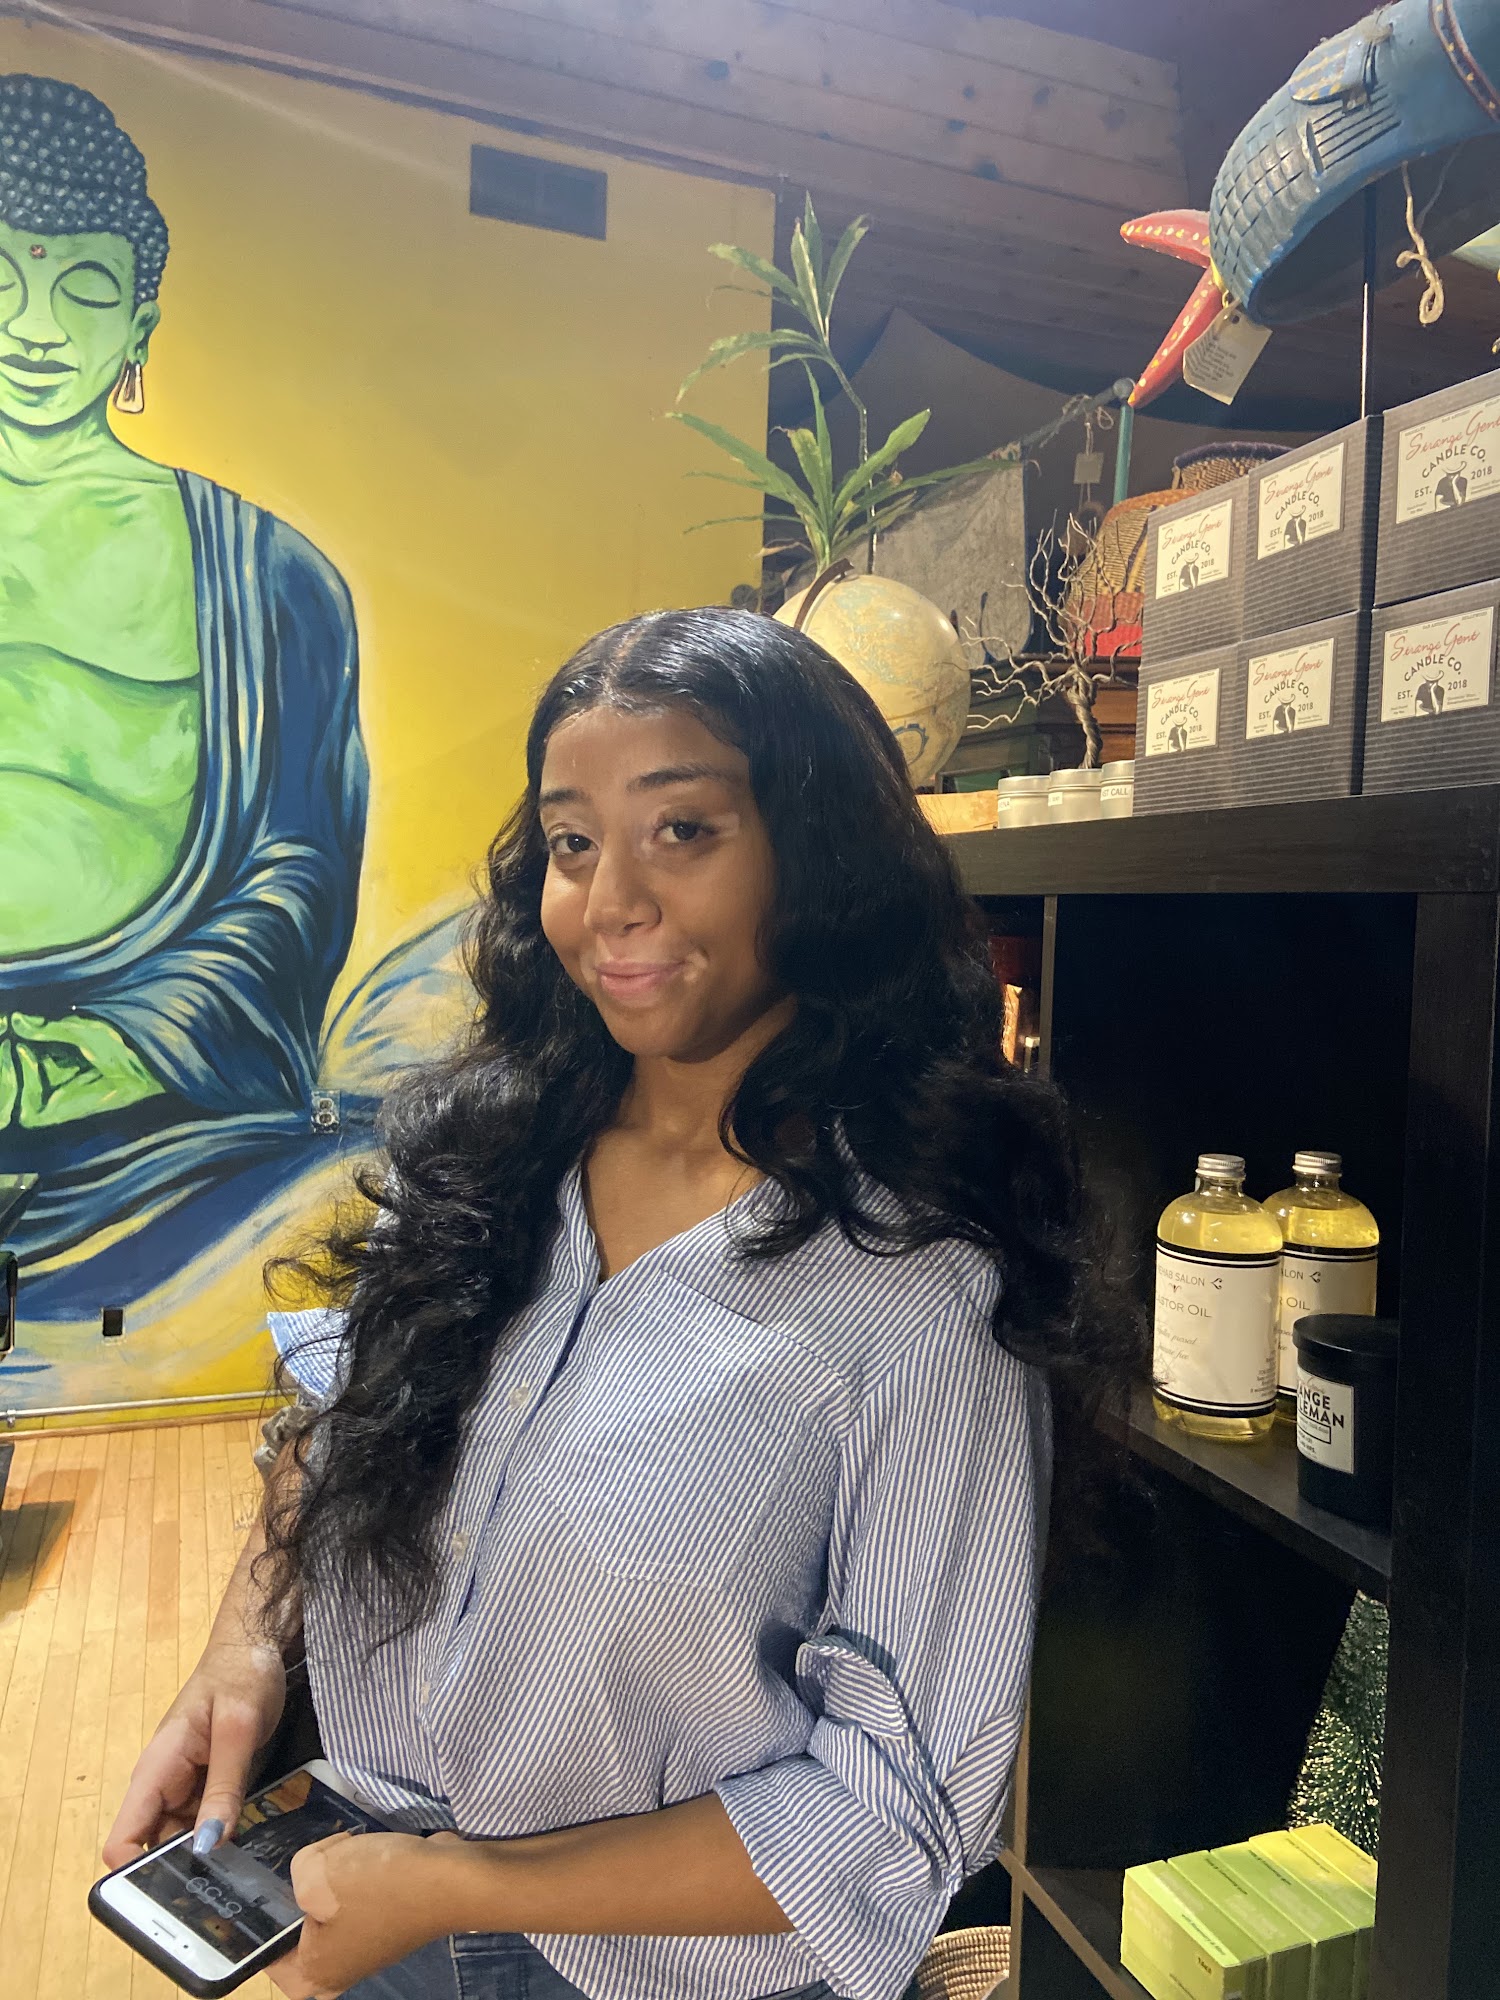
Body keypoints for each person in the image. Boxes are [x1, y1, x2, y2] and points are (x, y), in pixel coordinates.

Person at [104, 609, 1137, 2000]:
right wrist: (246, 1644)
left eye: (683, 831)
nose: (611, 902)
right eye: (573, 842)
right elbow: (336, 1416)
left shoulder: (917, 1296)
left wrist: (463, 1889)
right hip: (359, 1882)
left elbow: (888, 1813)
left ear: (817, 854)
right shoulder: (487, 1159)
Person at [0, 73, 366, 1270]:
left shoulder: (270, 579)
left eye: (84, 288)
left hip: (156, 1128)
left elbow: (299, 873)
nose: (37, 328)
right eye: (4, 279)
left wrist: (103, 1054)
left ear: (141, 327)